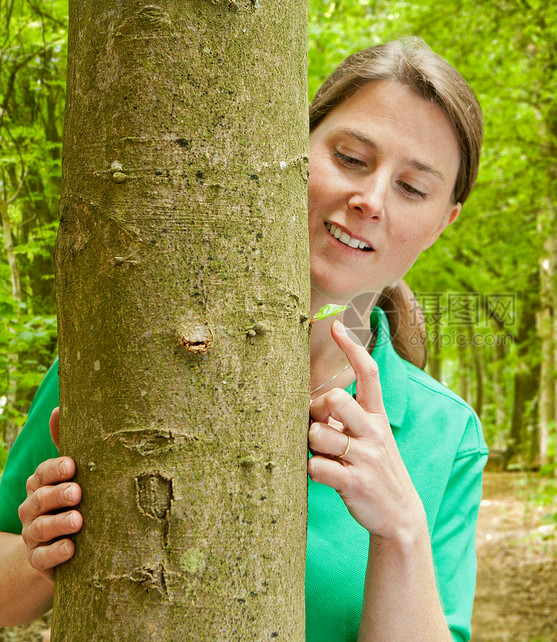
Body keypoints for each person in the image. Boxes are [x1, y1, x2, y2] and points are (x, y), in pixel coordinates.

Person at [0, 38, 487, 640]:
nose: (370, 199)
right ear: (292, 149)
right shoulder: (130, 345)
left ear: (444, 221)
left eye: (413, 189)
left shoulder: (446, 435)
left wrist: (401, 533)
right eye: (351, 158)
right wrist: (51, 553)